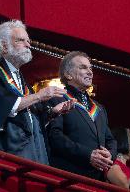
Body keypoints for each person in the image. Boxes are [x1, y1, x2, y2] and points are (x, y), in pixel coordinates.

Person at [0, 20, 75, 164]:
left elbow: (30, 117)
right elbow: (5, 106)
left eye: (28, 41)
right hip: (10, 148)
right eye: (21, 40)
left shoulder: (21, 79)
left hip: (35, 148)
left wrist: (52, 113)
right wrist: (40, 95)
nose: (28, 45)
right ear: (5, 46)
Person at [47, 51, 117, 180]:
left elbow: (110, 140)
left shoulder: (99, 108)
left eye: (90, 68)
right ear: (68, 74)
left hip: (97, 179)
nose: (90, 72)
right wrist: (88, 155)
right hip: (68, 176)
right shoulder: (57, 99)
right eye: (83, 67)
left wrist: (110, 154)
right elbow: (55, 137)